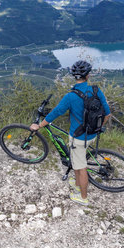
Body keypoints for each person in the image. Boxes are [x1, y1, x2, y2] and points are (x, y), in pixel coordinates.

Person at [30, 60, 111, 206]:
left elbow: (56, 112)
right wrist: (97, 128)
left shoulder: (70, 96)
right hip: (93, 134)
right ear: (88, 75)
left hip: (78, 137)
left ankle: (83, 197)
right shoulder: (96, 90)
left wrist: (39, 125)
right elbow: (107, 114)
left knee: (81, 168)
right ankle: (78, 183)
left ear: (74, 76)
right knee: (77, 161)